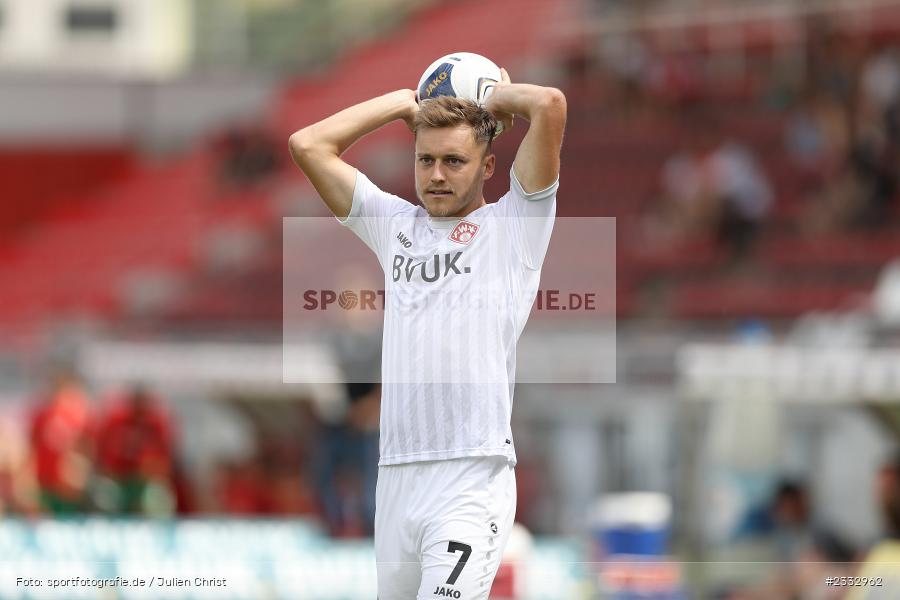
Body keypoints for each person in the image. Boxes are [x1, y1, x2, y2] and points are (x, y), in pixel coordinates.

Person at [288, 69, 566, 599]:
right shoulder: (396, 227)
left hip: (470, 478)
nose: (436, 175)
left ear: (487, 166)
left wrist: (489, 98)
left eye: (454, 161)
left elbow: (549, 103)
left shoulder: (516, 228)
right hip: (395, 476)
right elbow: (308, 145)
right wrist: (399, 104)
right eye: (426, 160)